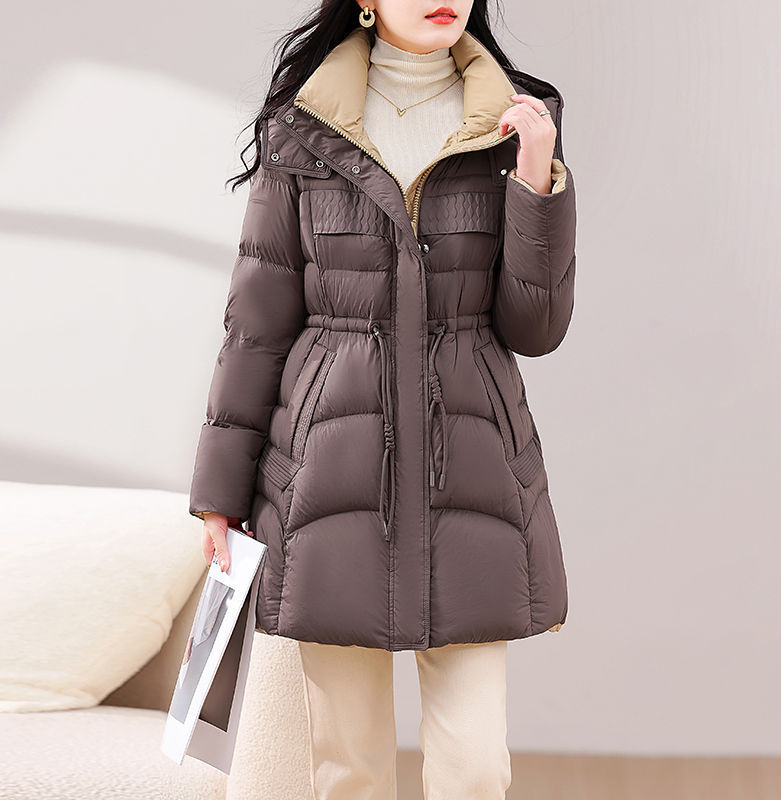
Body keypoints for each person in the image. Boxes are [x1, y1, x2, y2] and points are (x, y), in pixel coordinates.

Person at [188, 1, 577, 797]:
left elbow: (534, 327)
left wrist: (537, 179)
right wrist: (219, 495)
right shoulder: (302, 128)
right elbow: (257, 326)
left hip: (473, 471)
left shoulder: (515, 123)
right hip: (328, 473)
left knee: (475, 768)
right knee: (349, 770)